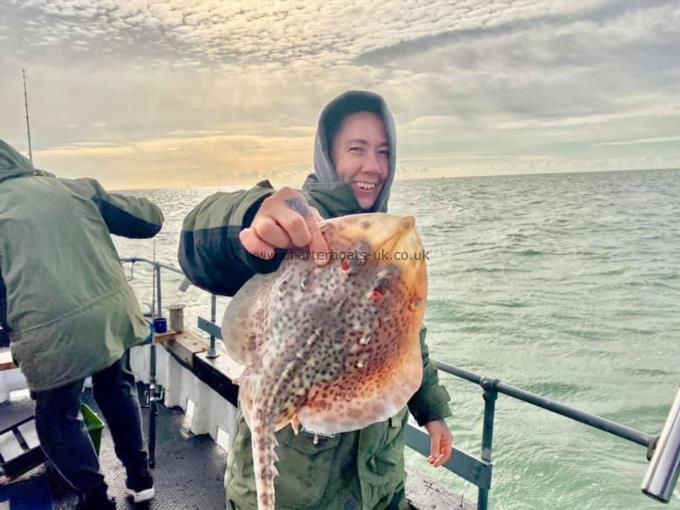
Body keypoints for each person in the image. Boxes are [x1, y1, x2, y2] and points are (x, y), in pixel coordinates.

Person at [179, 90, 453, 510]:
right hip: (294, 488)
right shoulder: (297, 224)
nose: (372, 166)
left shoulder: (386, 241)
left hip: (377, 482)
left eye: (383, 152)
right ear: (328, 155)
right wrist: (252, 217)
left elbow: (407, 336)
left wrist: (432, 411)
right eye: (356, 149)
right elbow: (199, 246)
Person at [0, 139, 164, 509]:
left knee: (57, 416)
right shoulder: (76, 188)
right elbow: (150, 220)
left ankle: (94, 498)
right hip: (112, 314)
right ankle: (141, 478)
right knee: (116, 387)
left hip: (49, 329)